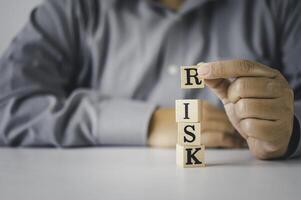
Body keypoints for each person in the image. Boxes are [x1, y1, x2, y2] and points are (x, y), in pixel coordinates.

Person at [0, 0, 300, 160]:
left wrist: (291, 130)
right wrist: (149, 123)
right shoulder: (70, 8)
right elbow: (8, 105)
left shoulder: (282, 6)